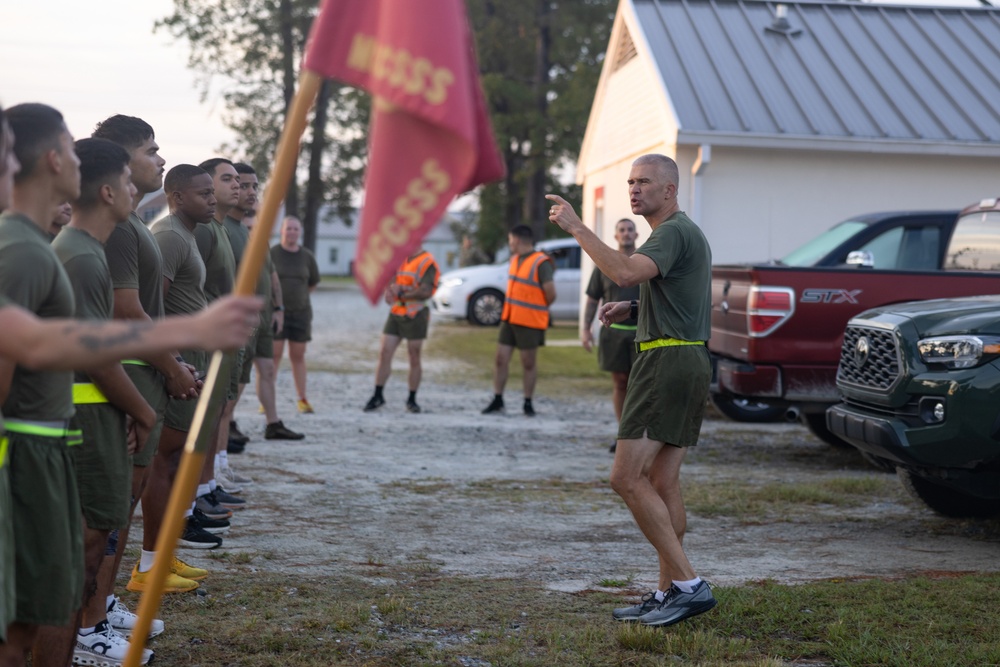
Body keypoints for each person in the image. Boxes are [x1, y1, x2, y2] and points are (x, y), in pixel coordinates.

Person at [546, 153, 716, 627]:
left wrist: (578, 228)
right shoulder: (680, 235)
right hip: (685, 356)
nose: (634, 189)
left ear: (670, 190)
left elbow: (622, 271)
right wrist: (636, 309)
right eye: (630, 182)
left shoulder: (673, 232)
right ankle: (669, 594)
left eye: (644, 182)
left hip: (666, 363)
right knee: (662, 482)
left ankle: (689, 585)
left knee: (624, 477)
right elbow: (679, 298)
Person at [92, 113, 206, 631]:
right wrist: (171, 364)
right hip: (133, 373)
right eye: (151, 151)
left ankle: (100, 603)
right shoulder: (118, 228)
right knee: (110, 512)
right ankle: (89, 619)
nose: (160, 160)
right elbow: (127, 310)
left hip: (150, 373)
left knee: (123, 505)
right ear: (120, 158)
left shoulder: (135, 221)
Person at [51, 137, 157, 666]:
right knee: (82, 553)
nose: (138, 190)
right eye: (131, 181)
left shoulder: (88, 251)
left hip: (94, 415)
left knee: (92, 552)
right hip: (81, 419)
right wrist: (142, 409)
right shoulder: (81, 257)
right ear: (110, 189)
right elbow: (95, 356)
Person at [148, 164, 229, 563]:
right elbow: (152, 308)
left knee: (179, 456)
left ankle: (163, 556)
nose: (212, 199)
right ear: (177, 197)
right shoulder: (168, 236)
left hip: (191, 364)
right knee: (165, 457)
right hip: (176, 368)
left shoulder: (189, 234)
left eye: (212, 193)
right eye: (203, 194)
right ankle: (152, 558)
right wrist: (173, 363)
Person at [229, 168, 302, 442]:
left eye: (254, 187)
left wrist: (279, 308)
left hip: (265, 317)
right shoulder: (228, 232)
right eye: (243, 185)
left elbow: (272, 276)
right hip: (243, 319)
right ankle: (230, 421)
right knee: (237, 377)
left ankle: (273, 423)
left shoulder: (258, 242)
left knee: (266, 370)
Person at [192, 157, 246, 515]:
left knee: (216, 414)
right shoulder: (204, 230)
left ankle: (207, 485)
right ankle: (194, 495)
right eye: (227, 179)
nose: (236, 186)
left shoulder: (222, 228)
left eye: (237, 180)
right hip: (203, 344)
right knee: (203, 420)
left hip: (223, 341)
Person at [481, 224, 556, 417]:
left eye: (510, 240)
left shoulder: (541, 262)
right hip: (510, 318)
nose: (509, 244)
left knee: (528, 363)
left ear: (517, 240)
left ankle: (527, 402)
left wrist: (536, 309)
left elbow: (551, 294)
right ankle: (498, 399)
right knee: (500, 359)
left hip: (530, 321)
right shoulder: (514, 260)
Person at [581, 218, 640, 454]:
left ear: (636, 235)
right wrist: (586, 329)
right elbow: (593, 298)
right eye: (622, 230)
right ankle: (623, 434)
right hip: (613, 335)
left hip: (641, 333)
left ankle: (640, 436)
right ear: (616, 236)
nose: (626, 234)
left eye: (630, 230)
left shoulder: (644, 263)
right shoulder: (605, 264)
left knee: (640, 386)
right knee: (620, 383)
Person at [364, 247, 440, 413]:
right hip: (397, 312)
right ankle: (378, 395)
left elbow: (426, 291)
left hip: (416, 313)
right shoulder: (400, 257)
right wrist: (389, 291)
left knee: (414, 356)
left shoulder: (427, 261)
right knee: (384, 352)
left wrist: (401, 295)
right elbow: (392, 279)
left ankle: (412, 399)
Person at [270, 216, 319, 414]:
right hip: (276, 314)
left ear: (300, 232)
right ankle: (267, 399)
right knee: (274, 355)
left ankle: (302, 398)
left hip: (301, 314)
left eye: (295, 229)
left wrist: (300, 298)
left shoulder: (307, 256)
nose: (292, 232)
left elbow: (313, 282)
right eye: (288, 228)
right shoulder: (272, 253)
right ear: (282, 231)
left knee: (298, 356)